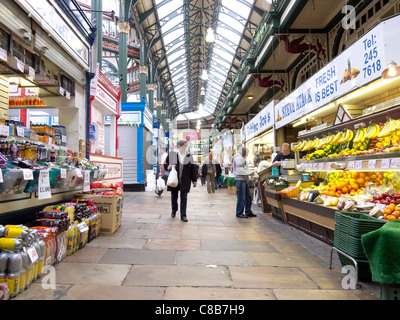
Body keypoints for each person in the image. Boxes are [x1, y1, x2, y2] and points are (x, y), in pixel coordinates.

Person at [164, 140, 198, 222]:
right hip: (174, 179)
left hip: (185, 180)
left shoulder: (189, 155)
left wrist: (194, 180)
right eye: (182, 147)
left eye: (185, 147)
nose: (184, 149)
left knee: (184, 197)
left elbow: (193, 168)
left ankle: (183, 215)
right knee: (174, 196)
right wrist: (169, 166)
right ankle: (174, 210)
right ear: (178, 146)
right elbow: (165, 164)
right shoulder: (173, 154)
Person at [233, 147, 257, 218]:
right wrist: (250, 173)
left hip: (243, 179)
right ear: (243, 153)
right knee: (241, 197)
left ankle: (248, 211)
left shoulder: (242, 158)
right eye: (246, 153)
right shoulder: (238, 159)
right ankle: (239, 212)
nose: (247, 154)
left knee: (248, 196)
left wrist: (250, 173)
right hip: (240, 180)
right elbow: (240, 171)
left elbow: (244, 169)